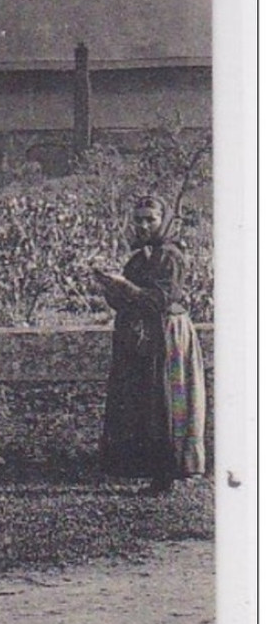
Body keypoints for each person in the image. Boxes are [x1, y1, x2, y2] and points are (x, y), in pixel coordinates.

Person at [92, 195, 207, 494]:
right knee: (146, 401)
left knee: (166, 398)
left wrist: (123, 286)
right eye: (139, 219)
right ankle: (153, 471)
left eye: (150, 219)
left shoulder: (170, 256)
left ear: (163, 221)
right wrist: (109, 287)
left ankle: (168, 473)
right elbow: (126, 302)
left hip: (167, 332)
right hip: (143, 334)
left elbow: (158, 300)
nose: (143, 225)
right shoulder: (139, 258)